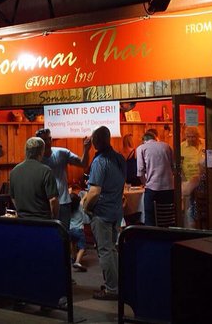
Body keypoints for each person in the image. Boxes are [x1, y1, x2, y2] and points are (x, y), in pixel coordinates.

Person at [83, 126, 126, 301]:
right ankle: (117, 284)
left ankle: (111, 289)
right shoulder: (120, 158)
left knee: (105, 251)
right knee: (112, 249)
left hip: (102, 212)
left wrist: (86, 207)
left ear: (96, 141)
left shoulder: (100, 161)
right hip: (116, 210)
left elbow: (94, 192)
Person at [35, 128, 91, 231]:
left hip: (63, 202)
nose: (48, 142)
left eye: (49, 139)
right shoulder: (35, 159)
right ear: (39, 142)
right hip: (45, 203)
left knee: (64, 234)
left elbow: (83, 164)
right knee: (47, 233)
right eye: (44, 140)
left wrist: (86, 150)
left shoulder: (62, 153)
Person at [9, 137, 59, 219]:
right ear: (41, 152)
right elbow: (53, 199)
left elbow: (13, 197)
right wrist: (54, 218)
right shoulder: (46, 171)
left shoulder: (14, 171)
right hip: (42, 221)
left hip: (22, 221)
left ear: (26, 151)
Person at [136, 131, 175, 226]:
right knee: (167, 218)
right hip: (169, 188)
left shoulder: (141, 148)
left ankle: (152, 235)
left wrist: (145, 183)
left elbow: (140, 171)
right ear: (155, 138)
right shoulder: (167, 146)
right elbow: (173, 166)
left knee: (150, 219)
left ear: (144, 140)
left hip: (152, 188)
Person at [180, 126, 206, 228]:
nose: (190, 139)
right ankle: (191, 226)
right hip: (188, 181)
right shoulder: (182, 146)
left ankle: (201, 225)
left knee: (201, 205)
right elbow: (178, 165)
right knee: (189, 206)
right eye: (188, 137)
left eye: (193, 136)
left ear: (197, 136)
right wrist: (183, 180)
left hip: (203, 181)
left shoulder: (204, 143)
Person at [69, 192, 88, 272]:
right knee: (82, 248)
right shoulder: (80, 205)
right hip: (79, 229)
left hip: (70, 229)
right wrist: (86, 193)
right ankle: (77, 261)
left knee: (73, 243)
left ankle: (73, 257)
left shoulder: (68, 208)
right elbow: (85, 197)